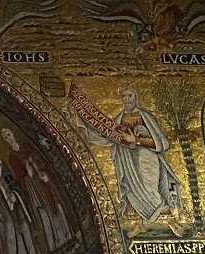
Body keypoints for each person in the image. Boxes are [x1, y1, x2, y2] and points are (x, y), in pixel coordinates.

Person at [73, 86, 182, 236]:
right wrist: (83, 119)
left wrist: (136, 140)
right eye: (124, 96)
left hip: (146, 158)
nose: (126, 99)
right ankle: (138, 224)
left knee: (151, 188)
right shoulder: (119, 118)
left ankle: (172, 221)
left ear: (135, 97)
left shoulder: (146, 116)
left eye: (129, 96)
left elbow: (163, 144)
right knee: (130, 189)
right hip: (126, 161)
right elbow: (106, 135)